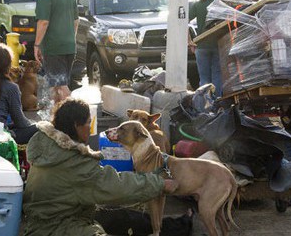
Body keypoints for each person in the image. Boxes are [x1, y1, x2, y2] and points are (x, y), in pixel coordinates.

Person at [22, 98, 178, 236]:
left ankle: (180, 224)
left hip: (45, 221)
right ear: (77, 126)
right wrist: (160, 183)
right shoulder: (74, 163)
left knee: (123, 218)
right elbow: (117, 187)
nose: (90, 128)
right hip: (57, 227)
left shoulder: (48, 146)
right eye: (88, 123)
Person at [32, 0, 79, 104]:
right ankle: (58, 119)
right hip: (69, 46)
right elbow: (76, 22)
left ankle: (76, 116)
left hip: (54, 48)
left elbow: (43, 22)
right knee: (56, 87)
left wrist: (36, 45)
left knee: (61, 86)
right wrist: (70, 39)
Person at [189, 0, 224, 96]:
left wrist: (190, 41)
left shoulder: (198, 4)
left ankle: (204, 104)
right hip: (218, 45)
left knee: (204, 78)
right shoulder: (221, 3)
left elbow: (183, 21)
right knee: (217, 75)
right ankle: (217, 102)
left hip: (201, 45)